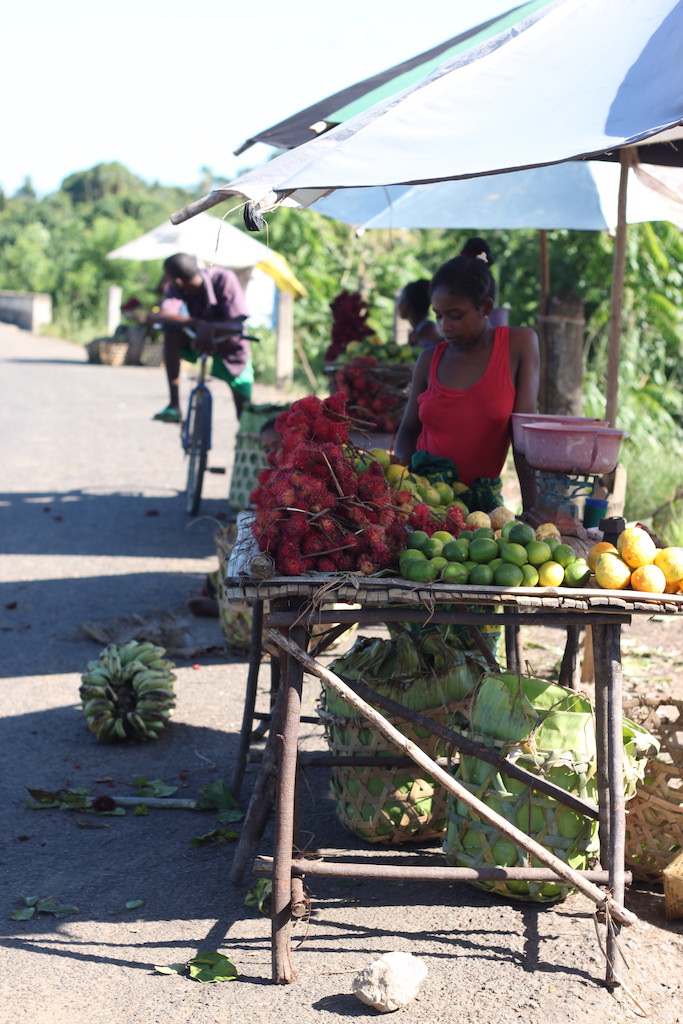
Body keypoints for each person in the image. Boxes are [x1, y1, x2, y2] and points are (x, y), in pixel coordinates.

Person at [393, 238, 539, 512]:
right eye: (438, 316)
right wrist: (399, 481)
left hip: (480, 508)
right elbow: (408, 430)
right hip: (422, 502)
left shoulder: (519, 346)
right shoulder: (428, 360)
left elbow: (524, 440)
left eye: (455, 316)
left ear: (485, 308)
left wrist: (532, 509)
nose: (444, 326)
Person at [150, 253, 252, 423]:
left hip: (229, 342)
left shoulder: (224, 279)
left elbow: (238, 325)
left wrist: (209, 327)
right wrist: (198, 324)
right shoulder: (178, 287)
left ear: (177, 281)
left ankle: (246, 430)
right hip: (196, 339)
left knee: (245, 406)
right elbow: (164, 315)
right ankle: (174, 405)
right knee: (171, 332)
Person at [397, 280, 442, 349]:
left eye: (401, 300)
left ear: (408, 304)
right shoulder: (420, 331)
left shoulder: (429, 334)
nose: (398, 305)